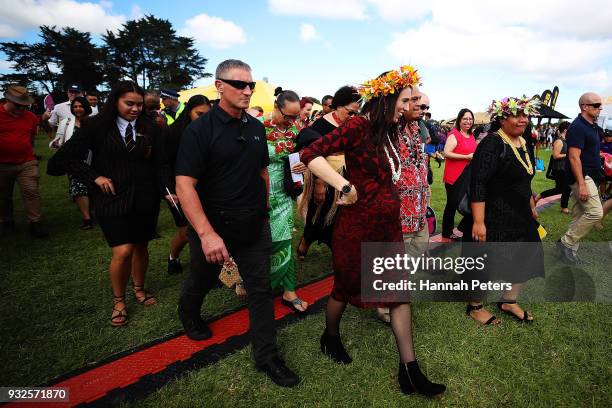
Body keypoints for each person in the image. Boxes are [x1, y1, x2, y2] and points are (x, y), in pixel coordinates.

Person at [301, 66, 445, 397]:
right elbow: (310, 154)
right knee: (345, 289)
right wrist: (342, 183)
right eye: (405, 100)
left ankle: (410, 370)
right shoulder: (357, 126)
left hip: (388, 225)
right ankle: (331, 336)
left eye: (412, 101)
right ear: (387, 99)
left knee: (397, 293)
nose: (409, 106)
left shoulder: (394, 129)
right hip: (357, 227)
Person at [175, 59, 299, 387]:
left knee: (260, 290)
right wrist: (205, 233)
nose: (247, 91)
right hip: (213, 229)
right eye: (239, 85)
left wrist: (265, 208)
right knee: (202, 278)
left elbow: (262, 172)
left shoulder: (257, 128)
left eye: (251, 86)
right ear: (219, 86)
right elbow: (184, 184)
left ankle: (267, 356)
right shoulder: (199, 130)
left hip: (254, 225)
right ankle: (188, 311)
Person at [48, 81, 173, 327]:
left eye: (139, 104)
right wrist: (94, 176)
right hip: (111, 198)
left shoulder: (151, 127)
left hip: (144, 198)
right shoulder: (96, 126)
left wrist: (167, 190)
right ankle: (119, 300)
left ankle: (139, 289)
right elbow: (62, 160)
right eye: (129, 104)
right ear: (115, 101)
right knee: (123, 250)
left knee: (140, 246)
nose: (135, 109)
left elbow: (161, 163)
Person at [464, 95, 544, 325]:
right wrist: (479, 222)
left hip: (520, 214)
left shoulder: (524, 140)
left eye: (525, 115)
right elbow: (478, 183)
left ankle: (509, 300)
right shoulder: (492, 143)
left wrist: (530, 205)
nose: (523, 120)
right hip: (494, 215)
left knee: (527, 253)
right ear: (502, 118)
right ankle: (475, 306)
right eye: (517, 115)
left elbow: (524, 178)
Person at [296, 86, 361, 260]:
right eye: (350, 112)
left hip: (345, 179)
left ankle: (336, 247)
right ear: (338, 106)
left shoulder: (353, 125)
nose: (353, 116)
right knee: (318, 213)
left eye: (356, 113)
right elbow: (312, 153)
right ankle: (305, 241)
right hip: (323, 178)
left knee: (340, 216)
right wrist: (319, 183)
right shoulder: (321, 125)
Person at [260, 90, 309, 313]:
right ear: (276, 106)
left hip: (283, 194)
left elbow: (304, 154)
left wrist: (302, 165)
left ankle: (289, 291)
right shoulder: (257, 126)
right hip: (258, 192)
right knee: (258, 243)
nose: (291, 121)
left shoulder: (297, 129)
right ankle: (254, 284)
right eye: (288, 116)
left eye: (295, 116)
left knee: (285, 241)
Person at [163, 95, 211, 274]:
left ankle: (209, 270)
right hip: (178, 190)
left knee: (206, 228)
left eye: (208, 115)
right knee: (187, 233)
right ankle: (173, 256)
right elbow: (164, 163)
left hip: (205, 188)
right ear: (188, 112)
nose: (204, 119)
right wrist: (168, 189)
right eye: (199, 114)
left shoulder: (210, 131)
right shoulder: (173, 132)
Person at [557, 92, 604, 264]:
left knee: (579, 214)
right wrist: (581, 184)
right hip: (582, 176)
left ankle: (569, 254)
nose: (600, 108)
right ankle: (565, 243)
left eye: (600, 105)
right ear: (584, 106)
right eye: (596, 105)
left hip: (591, 174)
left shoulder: (591, 125)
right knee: (595, 212)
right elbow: (573, 157)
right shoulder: (577, 127)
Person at [0, 85, 48, 238]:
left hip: (27, 161)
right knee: (3, 195)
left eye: (24, 105)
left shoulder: (30, 117)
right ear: (8, 100)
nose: (22, 108)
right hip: (2, 164)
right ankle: (6, 221)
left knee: (31, 192)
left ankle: (35, 223)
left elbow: (31, 137)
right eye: (18, 105)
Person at [49, 96, 95, 229]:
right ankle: (87, 219)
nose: (78, 109)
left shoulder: (93, 122)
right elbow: (57, 139)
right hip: (73, 161)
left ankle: (92, 211)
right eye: (75, 107)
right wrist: (55, 143)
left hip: (92, 158)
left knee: (91, 185)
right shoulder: (66, 122)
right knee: (78, 186)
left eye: (80, 106)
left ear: (86, 107)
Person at [441, 108, 477, 242]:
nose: (468, 121)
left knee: (467, 203)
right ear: (459, 120)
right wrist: (466, 157)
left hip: (467, 175)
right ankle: (447, 232)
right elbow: (446, 153)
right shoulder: (454, 134)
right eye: (465, 119)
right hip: (454, 176)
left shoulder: (471, 135)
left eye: (470, 119)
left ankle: (462, 227)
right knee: (452, 203)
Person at [535, 121, 571, 213]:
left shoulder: (567, 140)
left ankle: (564, 207)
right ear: (566, 130)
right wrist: (568, 155)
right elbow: (555, 156)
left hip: (565, 168)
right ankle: (540, 196)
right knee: (560, 189)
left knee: (567, 188)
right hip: (559, 169)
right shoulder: (559, 141)